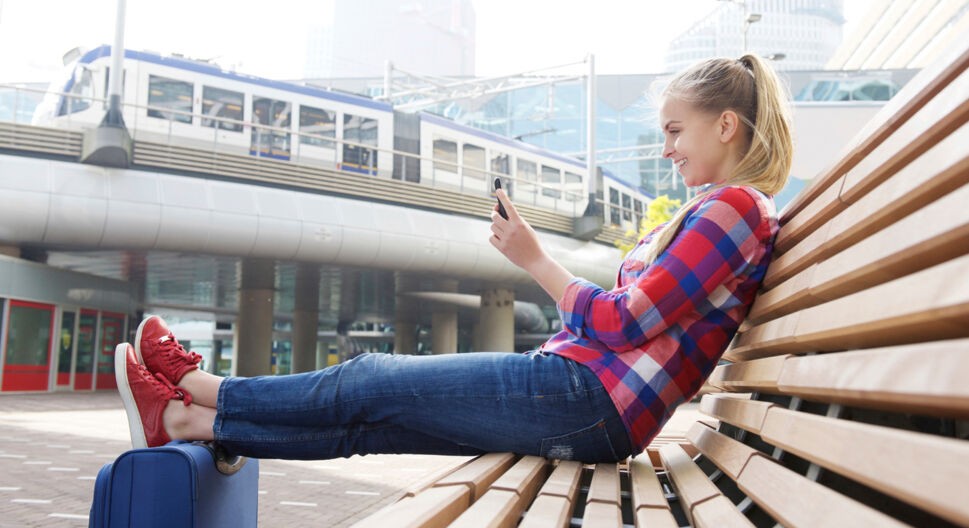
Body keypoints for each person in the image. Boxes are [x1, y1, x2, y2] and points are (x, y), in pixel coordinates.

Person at [115, 53, 793, 463]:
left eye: (675, 130)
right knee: (378, 421)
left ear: (725, 125)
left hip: (589, 400)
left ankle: (204, 387)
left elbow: (623, 322)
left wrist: (533, 259)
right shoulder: (719, 210)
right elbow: (630, 322)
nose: (668, 148)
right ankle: (185, 419)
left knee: (373, 378)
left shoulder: (735, 209)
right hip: (583, 396)